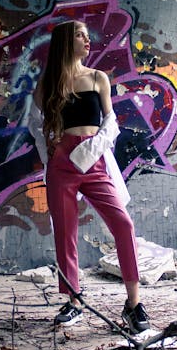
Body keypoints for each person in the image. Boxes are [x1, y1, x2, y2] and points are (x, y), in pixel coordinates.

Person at [28, 19, 149, 333]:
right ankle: (73, 300)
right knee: (65, 233)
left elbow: (111, 122)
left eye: (86, 34)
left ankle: (133, 305)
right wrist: (52, 149)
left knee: (123, 224)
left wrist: (93, 147)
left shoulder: (98, 78)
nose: (87, 39)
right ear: (67, 42)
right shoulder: (50, 81)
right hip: (62, 162)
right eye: (80, 35)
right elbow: (35, 120)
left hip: (94, 159)